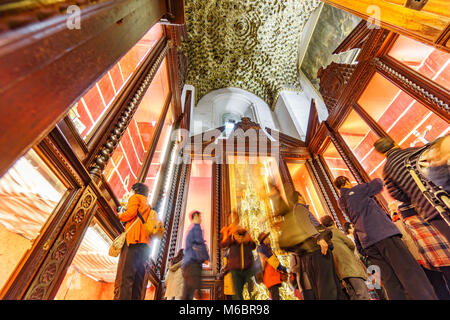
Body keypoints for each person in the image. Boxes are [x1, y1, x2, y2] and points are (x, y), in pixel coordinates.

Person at [334, 175, 437, 300]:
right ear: (346, 182)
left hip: (368, 243)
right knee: (408, 271)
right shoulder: (357, 190)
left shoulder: (341, 202)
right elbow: (378, 184)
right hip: (382, 234)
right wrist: (358, 184)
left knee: (390, 281)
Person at [374, 137, 450, 242]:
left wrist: (414, 196)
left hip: (429, 207)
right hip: (445, 194)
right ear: (395, 143)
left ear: (381, 153)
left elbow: (396, 194)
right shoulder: (414, 151)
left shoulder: (387, 170)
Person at [276, 190, 345, 300]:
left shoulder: (295, 212)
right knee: (327, 286)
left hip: (313, 252)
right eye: (302, 196)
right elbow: (306, 223)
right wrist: (319, 238)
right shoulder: (299, 208)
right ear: (299, 197)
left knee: (328, 285)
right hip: (317, 250)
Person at [393, 203, 450, 300]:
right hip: (436, 253)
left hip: (425, 257)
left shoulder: (402, 223)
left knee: (437, 285)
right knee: (440, 283)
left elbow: (409, 241)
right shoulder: (424, 213)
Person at [114, 183, 154, 300]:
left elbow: (130, 213)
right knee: (138, 280)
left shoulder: (135, 198)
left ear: (134, 190)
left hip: (133, 240)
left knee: (125, 277)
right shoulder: (148, 205)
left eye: (131, 191)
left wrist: (120, 215)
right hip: (145, 246)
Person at [320, 215, 370, 300]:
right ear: (333, 222)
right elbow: (350, 244)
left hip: (340, 271)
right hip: (350, 266)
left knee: (353, 295)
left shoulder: (323, 238)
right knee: (362, 293)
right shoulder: (334, 231)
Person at [220, 211, 256, 300]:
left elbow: (253, 246)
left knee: (252, 292)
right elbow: (222, 244)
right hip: (235, 267)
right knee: (237, 294)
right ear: (229, 219)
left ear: (238, 219)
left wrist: (247, 240)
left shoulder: (244, 230)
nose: (234, 219)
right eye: (232, 217)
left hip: (248, 266)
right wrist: (232, 238)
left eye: (236, 217)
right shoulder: (227, 231)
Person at [181, 210, 210, 300]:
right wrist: (206, 257)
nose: (201, 219)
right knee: (190, 292)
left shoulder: (190, 230)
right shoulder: (196, 228)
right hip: (193, 264)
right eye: (199, 217)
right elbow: (200, 243)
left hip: (187, 264)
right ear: (195, 217)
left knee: (187, 292)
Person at [257, 231, 288, 300]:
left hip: (270, 277)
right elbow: (274, 263)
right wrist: (283, 269)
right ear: (264, 240)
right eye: (267, 238)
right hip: (271, 277)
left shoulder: (264, 249)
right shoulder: (264, 249)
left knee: (275, 296)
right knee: (275, 297)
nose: (269, 239)